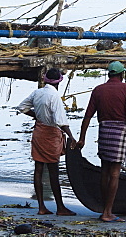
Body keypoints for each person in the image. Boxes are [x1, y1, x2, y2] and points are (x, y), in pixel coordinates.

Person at [78, 61, 126, 223]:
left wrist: (82, 138)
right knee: (114, 173)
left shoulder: (98, 90)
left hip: (104, 130)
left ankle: (104, 209)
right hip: (119, 131)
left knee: (105, 171)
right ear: (121, 74)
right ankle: (108, 212)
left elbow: (87, 116)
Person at [15, 67, 79, 216]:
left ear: (45, 79)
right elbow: (60, 121)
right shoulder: (54, 96)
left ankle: (41, 207)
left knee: (38, 170)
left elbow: (22, 107)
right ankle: (60, 208)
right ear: (58, 82)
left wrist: (36, 115)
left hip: (39, 132)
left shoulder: (38, 92)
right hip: (50, 134)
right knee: (53, 172)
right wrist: (71, 136)